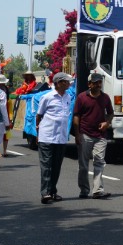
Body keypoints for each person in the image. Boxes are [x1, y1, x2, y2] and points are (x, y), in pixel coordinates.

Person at [74, 72, 115, 199]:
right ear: (89, 84)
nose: (98, 85)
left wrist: (106, 123)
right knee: (83, 165)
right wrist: (77, 134)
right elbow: (76, 116)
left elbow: (110, 113)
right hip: (85, 134)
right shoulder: (82, 97)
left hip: (100, 135)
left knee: (99, 161)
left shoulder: (105, 97)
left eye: (100, 82)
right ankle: (84, 190)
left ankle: (97, 190)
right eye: (95, 83)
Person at [36, 72, 74, 204]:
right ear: (58, 83)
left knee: (56, 166)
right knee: (46, 166)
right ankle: (45, 193)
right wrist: (38, 132)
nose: (69, 84)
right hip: (47, 136)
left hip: (61, 137)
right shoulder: (47, 97)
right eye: (66, 82)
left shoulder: (68, 97)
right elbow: (39, 115)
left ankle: (52, 191)